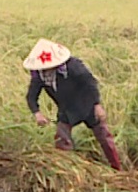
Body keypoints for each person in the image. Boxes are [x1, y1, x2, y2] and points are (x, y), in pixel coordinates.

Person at [23, 39, 124, 170]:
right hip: (66, 109)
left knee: (104, 137)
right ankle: (67, 171)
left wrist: (97, 105)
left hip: (86, 103)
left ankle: (117, 169)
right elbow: (31, 96)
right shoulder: (40, 76)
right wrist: (37, 113)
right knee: (61, 140)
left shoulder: (73, 66)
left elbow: (90, 83)